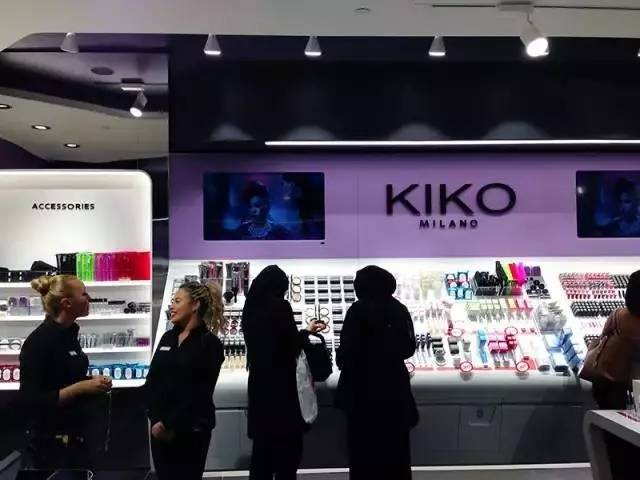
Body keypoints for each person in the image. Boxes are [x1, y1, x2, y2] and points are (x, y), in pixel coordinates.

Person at [19, 275, 112, 477]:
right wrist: (79, 388)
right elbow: (30, 400)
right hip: (51, 446)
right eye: (84, 294)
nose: (89, 298)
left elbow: (63, 378)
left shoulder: (69, 335)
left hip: (77, 439)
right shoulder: (39, 342)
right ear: (66, 303)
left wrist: (91, 382)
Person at [335, 266, 418, 480]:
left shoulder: (357, 311)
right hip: (394, 392)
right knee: (396, 455)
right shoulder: (399, 309)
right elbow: (409, 348)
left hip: (361, 395)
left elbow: (345, 354)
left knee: (364, 457)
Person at [242, 265, 323, 480]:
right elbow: (290, 344)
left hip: (259, 388)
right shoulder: (280, 306)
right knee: (288, 457)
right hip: (283, 390)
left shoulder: (250, 308)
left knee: (261, 456)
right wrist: (305, 333)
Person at [145, 281, 225, 480]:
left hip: (191, 430)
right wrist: (155, 418)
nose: (171, 306)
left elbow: (199, 391)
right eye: (172, 301)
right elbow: (152, 380)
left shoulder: (210, 344)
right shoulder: (167, 338)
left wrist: (169, 424)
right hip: (159, 429)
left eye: (177, 301)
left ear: (195, 304)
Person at [590, 270, 640, 480]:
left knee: (614, 443)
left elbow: (601, 340)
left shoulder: (619, 316)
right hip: (632, 391)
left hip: (611, 384)